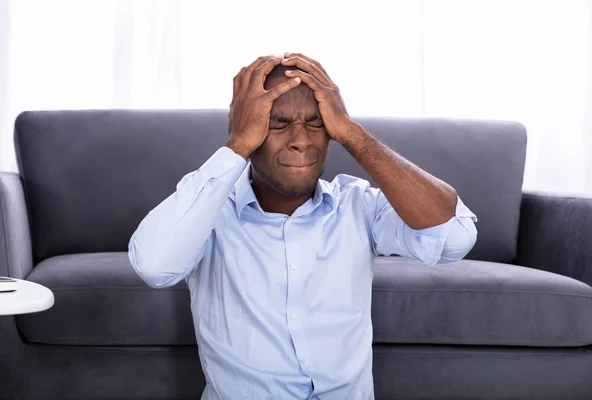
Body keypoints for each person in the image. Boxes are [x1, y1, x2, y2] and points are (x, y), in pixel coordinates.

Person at [128, 53, 478, 400]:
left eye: (316, 123)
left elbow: (455, 238)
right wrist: (237, 144)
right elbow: (154, 266)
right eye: (278, 122)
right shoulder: (208, 212)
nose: (301, 140)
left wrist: (353, 134)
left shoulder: (357, 204)